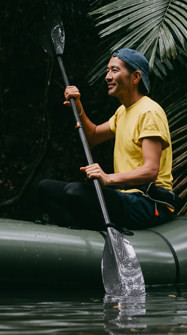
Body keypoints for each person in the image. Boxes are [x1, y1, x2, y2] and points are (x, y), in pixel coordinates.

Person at [37, 48, 176, 231]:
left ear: (135, 77)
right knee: (45, 189)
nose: (108, 77)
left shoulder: (149, 111)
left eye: (115, 70)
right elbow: (93, 136)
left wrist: (108, 179)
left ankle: (98, 228)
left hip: (149, 203)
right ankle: (84, 230)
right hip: (125, 197)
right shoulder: (122, 112)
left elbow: (150, 171)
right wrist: (78, 106)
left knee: (76, 193)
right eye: (107, 71)